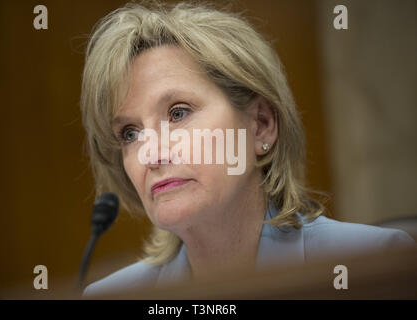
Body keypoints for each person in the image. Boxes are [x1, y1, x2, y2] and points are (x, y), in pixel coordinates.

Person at [80, 2, 414, 297]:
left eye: (178, 113)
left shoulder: (370, 266)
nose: (150, 154)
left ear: (261, 124)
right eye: (129, 133)